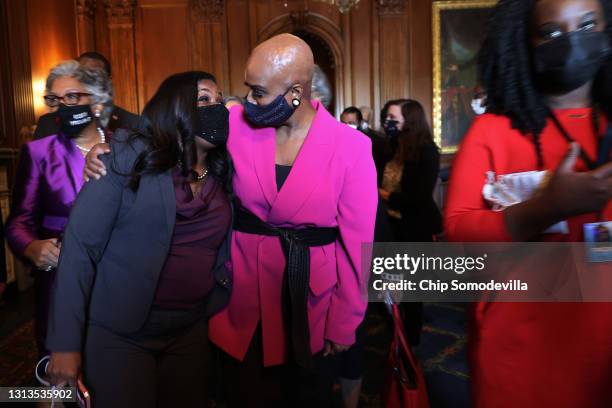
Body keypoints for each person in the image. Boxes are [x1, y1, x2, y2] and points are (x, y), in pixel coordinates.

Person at [445, 0, 612, 406]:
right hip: (515, 350)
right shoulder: (491, 132)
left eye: (588, 24)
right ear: (524, 41)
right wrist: (543, 208)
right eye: (552, 33)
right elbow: (456, 239)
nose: (572, 41)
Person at [45, 71, 232, 408]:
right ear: (175, 108)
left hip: (190, 330)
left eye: (220, 100)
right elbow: (79, 248)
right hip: (121, 333)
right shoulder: (123, 157)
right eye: (203, 99)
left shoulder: (224, 170)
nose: (217, 108)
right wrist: (65, 345)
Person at [211, 34, 376, 407]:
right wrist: (111, 148)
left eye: (258, 92)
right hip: (241, 298)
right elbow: (171, 137)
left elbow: (357, 247)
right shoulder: (235, 125)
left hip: (311, 307)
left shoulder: (351, 148)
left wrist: (345, 321)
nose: (248, 101)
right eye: (248, 89)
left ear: (296, 92)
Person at [5, 60, 112, 357]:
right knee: (57, 379)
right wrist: (31, 247)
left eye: (73, 97)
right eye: (55, 99)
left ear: (97, 100)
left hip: (117, 277)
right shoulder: (39, 153)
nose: (63, 106)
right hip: (59, 279)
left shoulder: (127, 147)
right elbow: (18, 222)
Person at [33, 51, 139, 139]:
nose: (85, 81)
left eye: (93, 75)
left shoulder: (132, 123)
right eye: (78, 74)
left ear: (106, 81)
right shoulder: (47, 123)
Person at [341, 106, 387, 182]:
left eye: (351, 123)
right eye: (343, 123)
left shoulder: (374, 140)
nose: (346, 126)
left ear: (359, 122)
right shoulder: (338, 140)